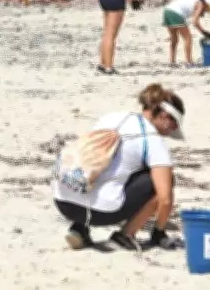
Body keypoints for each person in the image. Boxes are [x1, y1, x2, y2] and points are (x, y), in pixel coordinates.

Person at [52, 83, 185, 252]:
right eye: (173, 126)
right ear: (165, 116)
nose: (170, 132)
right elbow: (165, 198)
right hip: (100, 212)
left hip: (63, 201)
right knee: (161, 180)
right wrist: (159, 231)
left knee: (104, 168)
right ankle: (124, 236)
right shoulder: (152, 140)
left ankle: (79, 228)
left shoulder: (111, 118)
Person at [161, 0, 210, 66]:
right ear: (206, 3)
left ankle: (172, 61)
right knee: (188, 38)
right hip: (176, 13)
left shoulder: (193, 1)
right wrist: (204, 32)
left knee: (174, 39)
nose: (206, 11)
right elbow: (195, 22)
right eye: (207, 8)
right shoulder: (200, 4)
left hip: (166, 11)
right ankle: (188, 62)